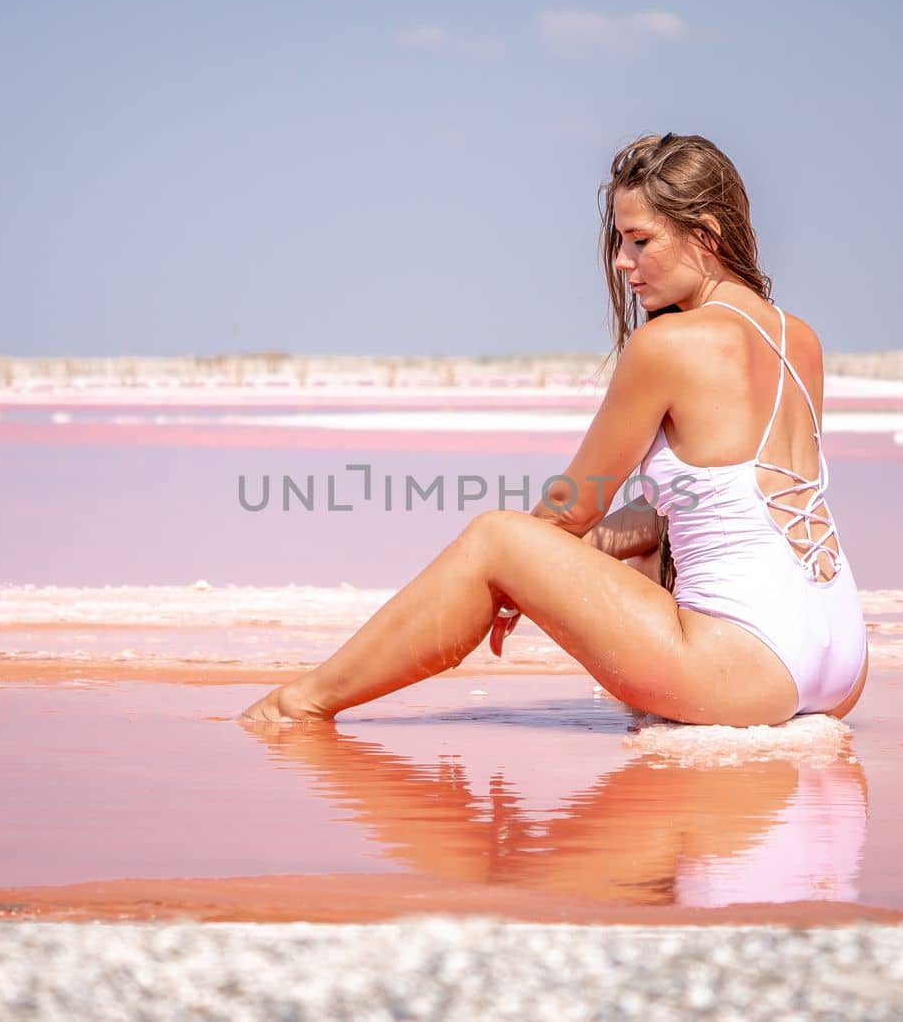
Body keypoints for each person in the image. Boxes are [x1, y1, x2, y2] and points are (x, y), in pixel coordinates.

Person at [240, 132, 868, 727]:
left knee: (495, 539)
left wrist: (510, 581)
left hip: (750, 666)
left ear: (705, 234)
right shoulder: (798, 338)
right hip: (839, 660)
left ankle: (299, 705)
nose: (624, 262)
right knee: (639, 541)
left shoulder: (670, 344)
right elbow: (712, 505)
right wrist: (564, 565)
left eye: (640, 241)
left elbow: (570, 507)